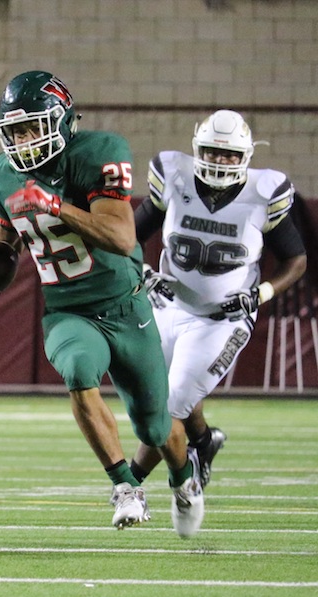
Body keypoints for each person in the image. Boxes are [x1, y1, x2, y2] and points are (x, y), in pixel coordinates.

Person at [0, 70, 204, 537]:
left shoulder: (99, 153)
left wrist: (57, 206)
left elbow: (121, 234)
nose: (23, 140)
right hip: (68, 310)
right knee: (77, 368)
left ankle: (184, 479)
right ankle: (125, 486)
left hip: (125, 305)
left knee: (155, 429)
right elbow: (7, 239)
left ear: (61, 120)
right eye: (14, 131)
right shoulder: (2, 174)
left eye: (32, 127)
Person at [132, 109, 306, 487]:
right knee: (162, 392)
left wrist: (261, 293)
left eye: (228, 154)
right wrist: (142, 271)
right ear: (197, 149)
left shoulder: (265, 193)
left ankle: (130, 482)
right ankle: (203, 441)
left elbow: (296, 259)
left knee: (169, 403)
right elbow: (127, 235)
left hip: (223, 319)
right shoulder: (174, 177)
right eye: (211, 152)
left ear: (246, 156)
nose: (219, 161)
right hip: (169, 306)